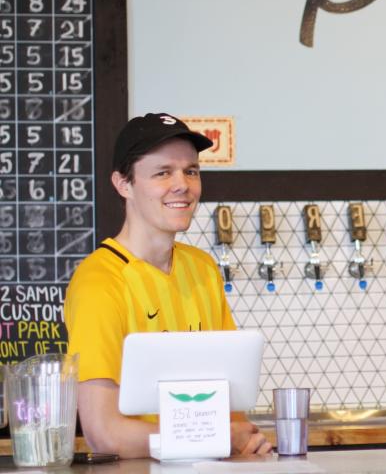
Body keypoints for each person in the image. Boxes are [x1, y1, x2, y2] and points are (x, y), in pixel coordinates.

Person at [64, 113, 272, 458]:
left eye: (191, 171)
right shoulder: (99, 282)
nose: (182, 185)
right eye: (163, 173)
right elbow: (103, 432)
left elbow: (229, 401)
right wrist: (218, 437)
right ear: (123, 184)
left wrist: (243, 440)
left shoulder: (203, 268)